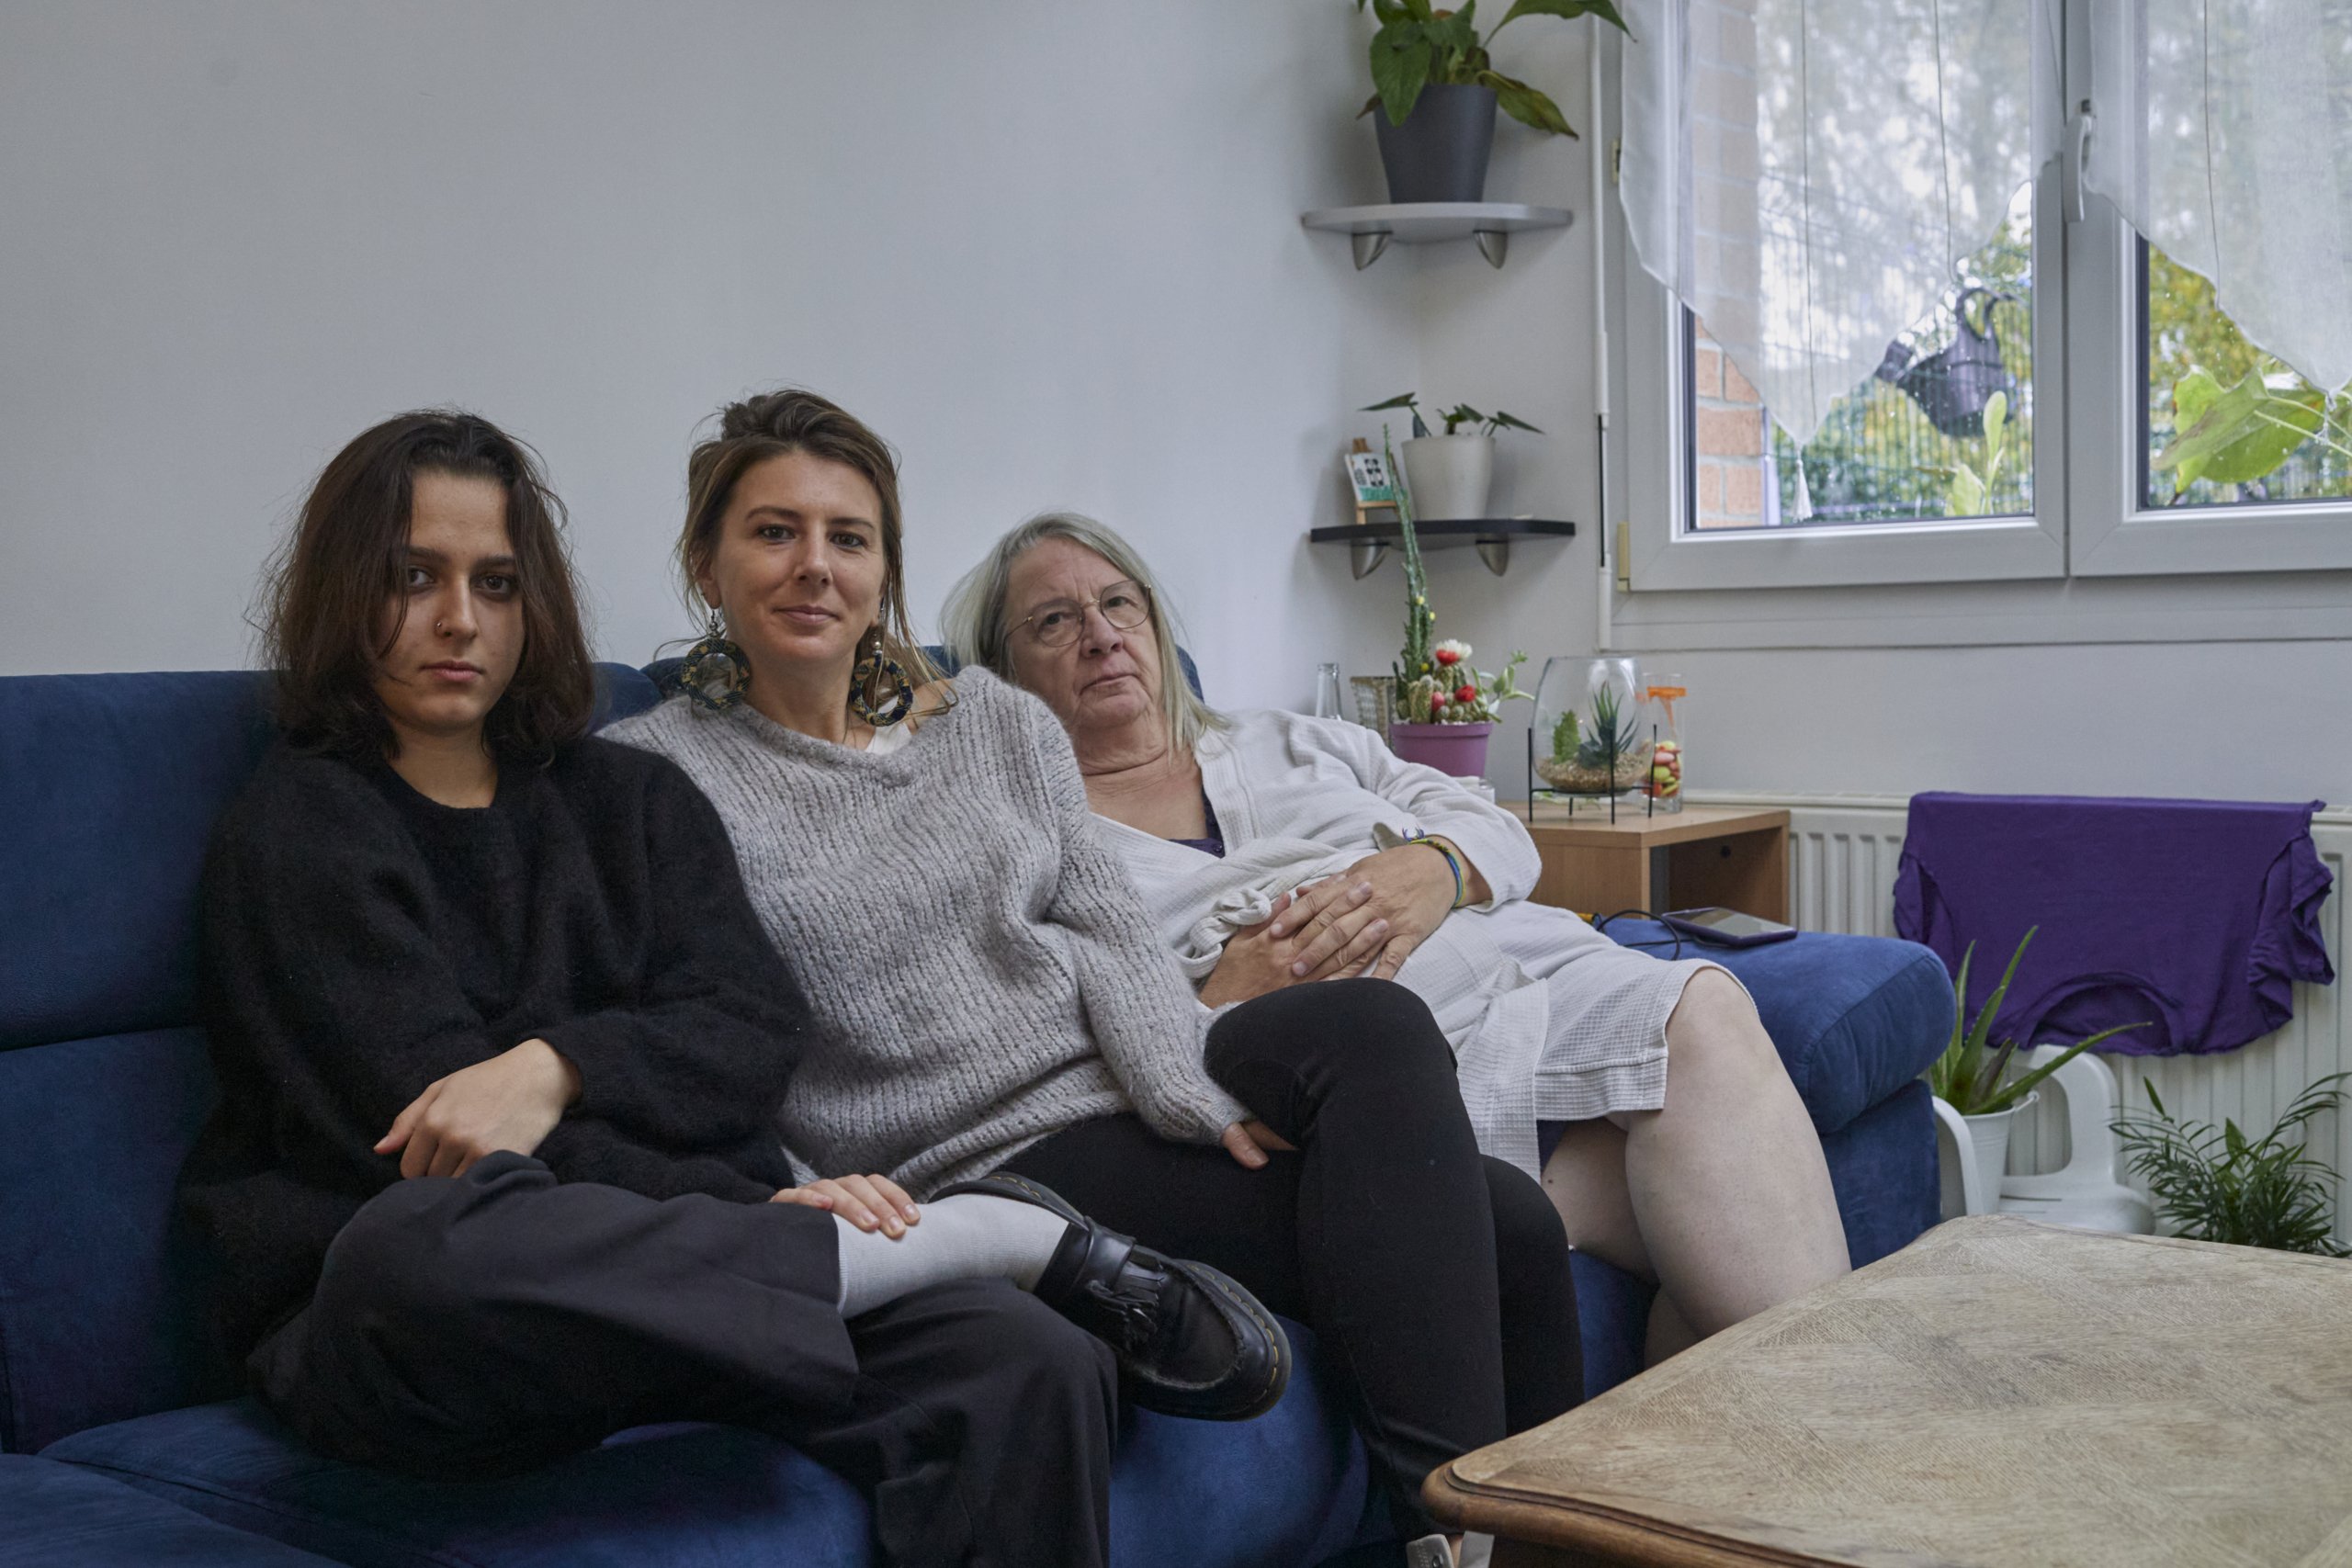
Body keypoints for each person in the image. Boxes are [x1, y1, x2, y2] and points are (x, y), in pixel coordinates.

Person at [177, 411, 1285, 1568]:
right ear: (346, 590)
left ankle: (932, 1263)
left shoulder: (631, 799)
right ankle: (982, 1238)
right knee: (420, 1244)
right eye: (415, 577)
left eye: (497, 583)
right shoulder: (300, 831)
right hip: (437, 1331)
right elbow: (440, 1141)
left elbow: (748, 1031)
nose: (460, 620)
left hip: (713, 1279)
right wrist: (741, 1219)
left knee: (1026, 1357)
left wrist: (560, 1068)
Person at [610, 389, 1579, 1568]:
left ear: (883, 572)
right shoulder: (652, 779)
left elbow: (1111, 932)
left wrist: (1183, 1096)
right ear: (706, 564)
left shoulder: (992, 726)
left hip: (1118, 1086)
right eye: (774, 532)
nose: (815, 566)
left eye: (847, 538)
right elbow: (684, 1030)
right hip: (974, 1159)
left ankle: (1499, 1548)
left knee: (1377, 1035)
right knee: (1509, 1228)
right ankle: (1451, 1543)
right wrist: (806, 1190)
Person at [944, 512, 1854, 1365]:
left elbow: (1490, 825)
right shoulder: (1021, 844)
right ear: (1000, 677)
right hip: (1396, 1067)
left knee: (1703, 1006)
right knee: (1710, 1214)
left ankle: (1734, 1503)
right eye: (1054, 622)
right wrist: (1210, 1001)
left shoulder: (1289, 740)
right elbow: (1035, 1054)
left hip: (1524, 967)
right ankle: (1820, 1480)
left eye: (1117, 605)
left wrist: (1436, 870)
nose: (1100, 635)